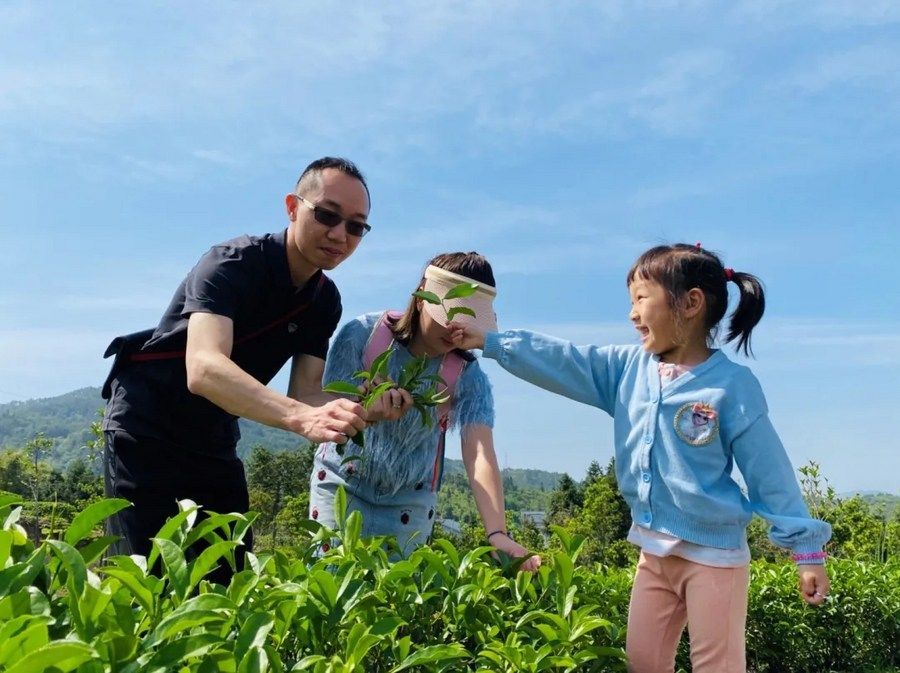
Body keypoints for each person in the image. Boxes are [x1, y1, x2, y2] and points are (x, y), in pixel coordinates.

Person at [449, 243, 831, 673]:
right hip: (653, 551)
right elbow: (565, 360)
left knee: (717, 666)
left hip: (714, 558)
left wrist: (807, 553)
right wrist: (494, 342)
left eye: (641, 300)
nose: (632, 314)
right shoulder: (627, 369)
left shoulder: (731, 386)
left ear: (690, 303)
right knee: (643, 662)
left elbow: (769, 471)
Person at [101, 157, 404, 581]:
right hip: (147, 429)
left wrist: (365, 405)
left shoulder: (323, 301)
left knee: (229, 583)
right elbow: (204, 368)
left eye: (356, 226)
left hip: (213, 440)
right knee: (149, 582)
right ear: (293, 207)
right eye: (327, 215)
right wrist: (302, 418)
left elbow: (305, 393)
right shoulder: (231, 263)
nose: (340, 235)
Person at [309, 252, 540, 570]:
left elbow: (480, 453)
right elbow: (326, 410)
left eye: (468, 322)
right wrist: (368, 410)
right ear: (420, 297)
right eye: (447, 314)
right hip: (342, 484)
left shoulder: (467, 376)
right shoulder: (362, 335)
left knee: (396, 603)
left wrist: (497, 532)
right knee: (331, 582)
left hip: (410, 502)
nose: (455, 331)